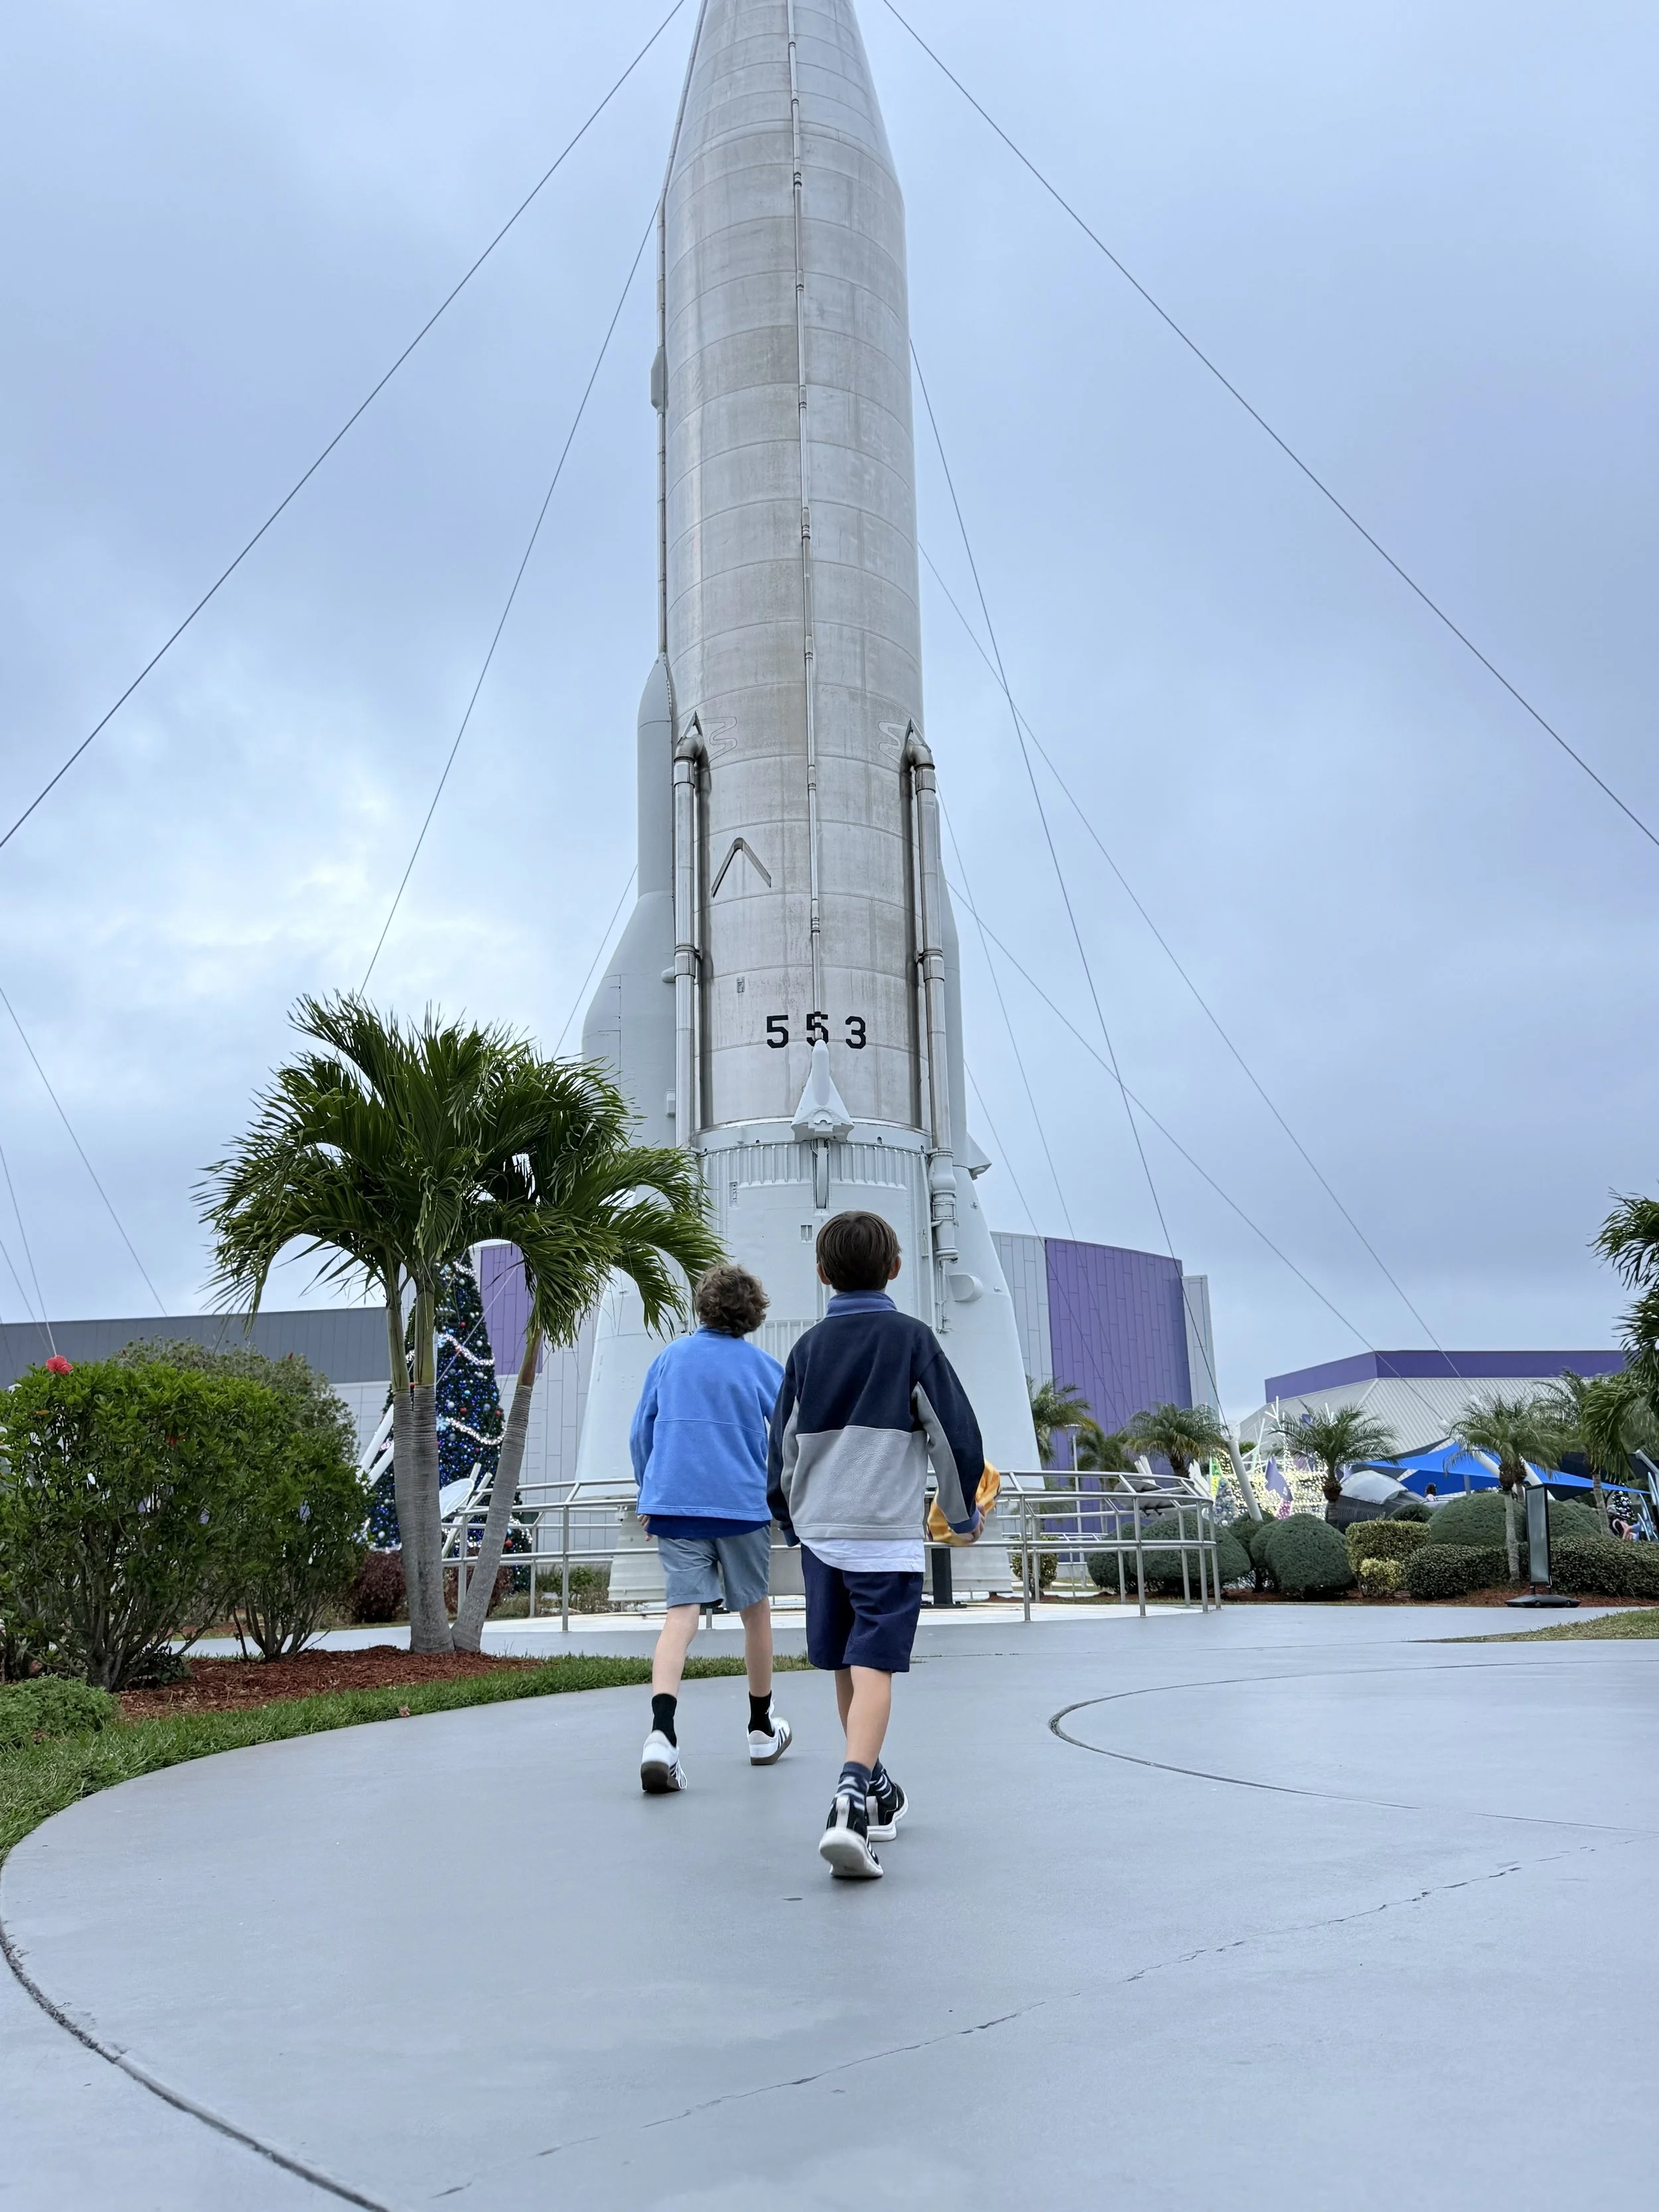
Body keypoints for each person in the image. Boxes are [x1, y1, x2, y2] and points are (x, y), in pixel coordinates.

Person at [767, 1211, 984, 1880]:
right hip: (884, 1536)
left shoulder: (806, 1350)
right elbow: (954, 1433)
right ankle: (850, 1802)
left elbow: (781, 1448)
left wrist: (790, 1520)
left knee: (845, 1662)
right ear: (895, 1268)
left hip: (821, 1535)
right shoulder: (912, 1340)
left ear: (821, 1273)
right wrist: (962, 1514)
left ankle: (877, 1788)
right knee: (874, 1668)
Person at [631, 1263, 791, 1793]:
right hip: (742, 1506)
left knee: (680, 1617)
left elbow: (641, 1432)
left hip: (676, 1505)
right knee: (755, 1611)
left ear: (702, 1304)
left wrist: (649, 1492)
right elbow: (789, 1434)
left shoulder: (669, 1358)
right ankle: (761, 1728)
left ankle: (661, 1735)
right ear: (754, 1313)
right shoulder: (762, 1365)